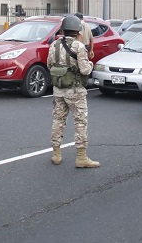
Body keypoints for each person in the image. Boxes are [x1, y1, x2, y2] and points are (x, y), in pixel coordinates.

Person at [48, 15, 99, 168]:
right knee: (80, 122)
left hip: (58, 89)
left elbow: (49, 65)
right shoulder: (79, 46)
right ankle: (81, 158)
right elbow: (84, 70)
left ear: (63, 30)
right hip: (75, 91)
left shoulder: (54, 45)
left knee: (58, 120)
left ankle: (56, 154)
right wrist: (91, 64)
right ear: (78, 31)